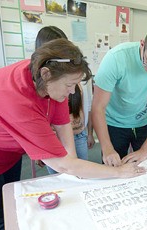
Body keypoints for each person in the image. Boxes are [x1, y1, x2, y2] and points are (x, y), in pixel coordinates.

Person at [0, 38, 146, 230]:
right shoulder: (17, 98)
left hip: (9, 152)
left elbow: (65, 132)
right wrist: (120, 173)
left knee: (10, 206)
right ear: (46, 74)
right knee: (1, 223)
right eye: (69, 85)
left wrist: (76, 171)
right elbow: (64, 165)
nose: (73, 92)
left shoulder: (49, 80)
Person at [92, 26, 147, 166]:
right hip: (114, 123)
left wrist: (145, 150)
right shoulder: (116, 58)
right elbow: (98, 107)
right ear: (142, 44)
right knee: (113, 169)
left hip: (146, 123)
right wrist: (107, 148)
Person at [34, 26, 95, 174]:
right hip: (51, 139)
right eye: (69, 85)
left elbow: (88, 108)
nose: (72, 90)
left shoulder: (70, 82)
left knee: (77, 171)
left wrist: (89, 133)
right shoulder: (37, 89)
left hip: (77, 133)